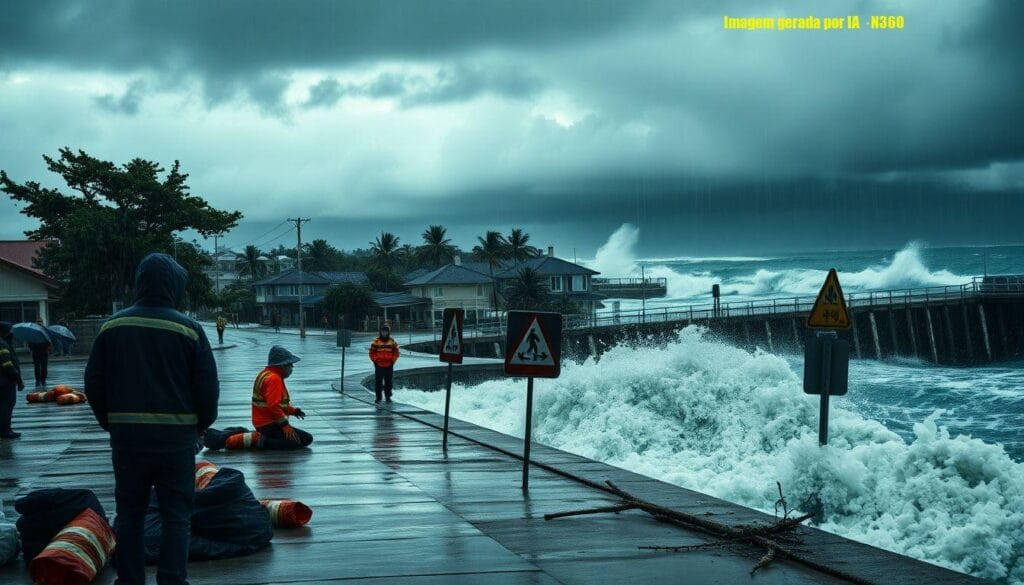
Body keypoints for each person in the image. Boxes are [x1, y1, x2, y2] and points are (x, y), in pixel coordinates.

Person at [85, 253, 220, 585]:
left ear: (140, 283)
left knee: (130, 514)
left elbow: (93, 383)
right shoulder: (189, 330)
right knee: (177, 517)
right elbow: (207, 388)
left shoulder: (112, 326)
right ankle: (173, 580)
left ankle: (129, 580)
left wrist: (111, 422)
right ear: (174, 285)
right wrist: (201, 425)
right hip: (175, 442)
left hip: (128, 441)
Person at [251, 345, 313, 449]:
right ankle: (259, 440)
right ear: (282, 366)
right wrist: (285, 425)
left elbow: (277, 404)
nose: (292, 368)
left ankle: (261, 437)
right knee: (302, 440)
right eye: (290, 365)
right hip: (268, 424)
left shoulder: (265, 373)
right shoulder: (274, 379)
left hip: (262, 422)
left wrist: (294, 411)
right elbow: (273, 406)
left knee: (301, 439)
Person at [0, 322, 26, 439]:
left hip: (5, 380)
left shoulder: (5, 343)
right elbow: (7, 364)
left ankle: (5, 429)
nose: (12, 333)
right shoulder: (2, 344)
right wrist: (18, 379)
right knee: (7, 405)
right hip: (5, 381)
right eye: (10, 330)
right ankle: (6, 430)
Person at [369, 323, 400, 403]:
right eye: (383, 331)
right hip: (379, 365)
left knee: (388, 382)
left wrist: (393, 361)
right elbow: (371, 352)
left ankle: (388, 397)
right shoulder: (376, 341)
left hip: (389, 364)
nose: (384, 333)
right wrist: (375, 361)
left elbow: (396, 352)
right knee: (378, 382)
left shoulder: (392, 341)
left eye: (386, 332)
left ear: (388, 332)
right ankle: (378, 398)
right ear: (380, 332)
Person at [27, 320, 51, 388]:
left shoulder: (45, 331)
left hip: (43, 352)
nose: (39, 324)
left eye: (40, 322)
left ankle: (43, 380)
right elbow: (30, 342)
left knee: (43, 367)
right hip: (37, 352)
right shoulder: (33, 332)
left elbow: (49, 341)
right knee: (37, 367)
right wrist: (33, 348)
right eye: (38, 323)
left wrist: (48, 347)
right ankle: (38, 380)